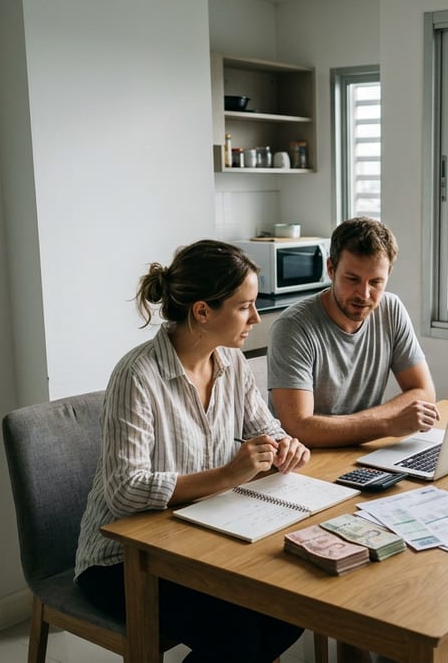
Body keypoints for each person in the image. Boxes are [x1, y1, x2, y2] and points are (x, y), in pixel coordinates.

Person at [73, 240, 310, 663]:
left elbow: (265, 428)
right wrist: (228, 475)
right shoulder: (138, 375)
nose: (256, 317)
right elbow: (124, 492)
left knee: (290, 610)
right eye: (245, 306)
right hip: (121, 560)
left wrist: (283, 445)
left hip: (196, 541)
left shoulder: (232, 362)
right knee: (235, 636)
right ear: (202, 311)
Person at [268, 217, 439, 447]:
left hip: (362, 449)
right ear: (331, 269)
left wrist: (370, 425)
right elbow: (298, 427)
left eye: (376, 282)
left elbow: (424, 393)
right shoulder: (292, 327)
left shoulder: (391, 309)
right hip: (306, 462)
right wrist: (386, 423)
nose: (364, 294)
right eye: (352, 279)